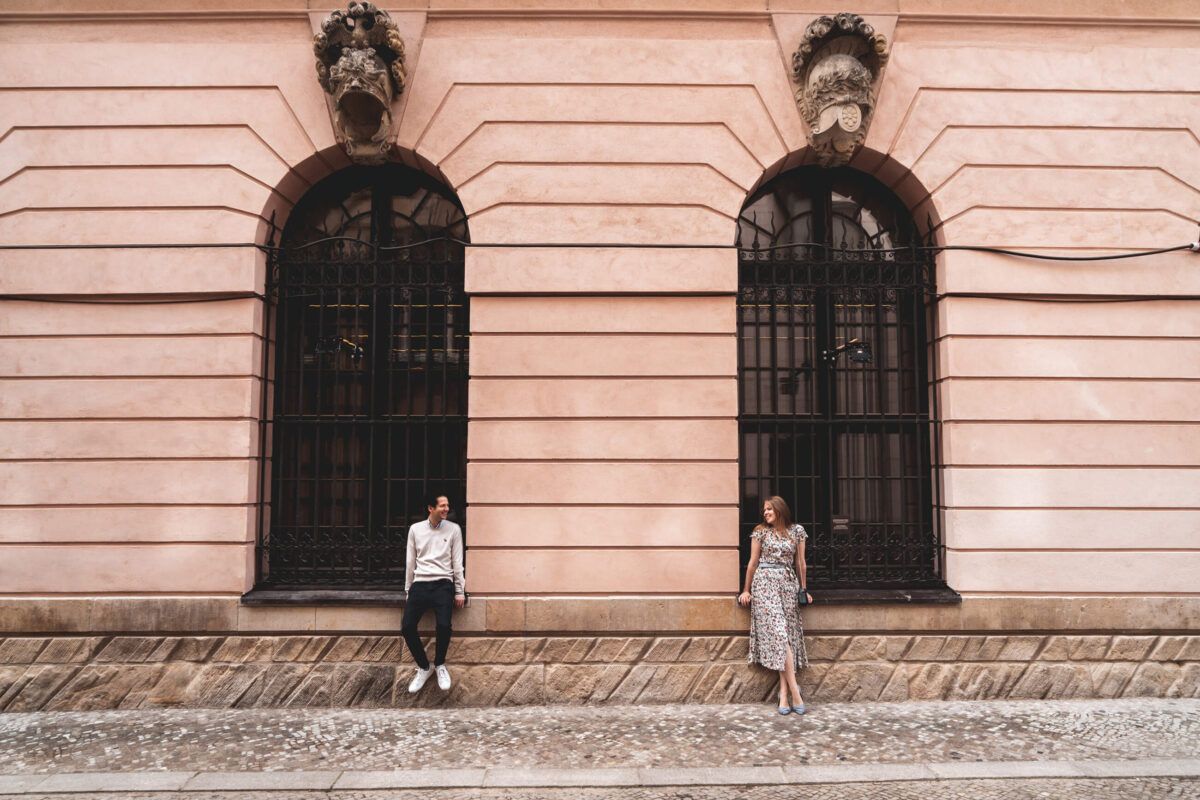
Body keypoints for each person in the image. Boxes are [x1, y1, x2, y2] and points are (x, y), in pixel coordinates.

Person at [737, 495, 812, 715]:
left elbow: (801, 563)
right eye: (764, 510)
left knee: (786, 639)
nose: (765, 513)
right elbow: (752, 562)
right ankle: (795, 692)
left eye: (769, 509)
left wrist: (803, 590)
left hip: (788, 585)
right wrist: (746, 589)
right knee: (779, 634)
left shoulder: (797, 531)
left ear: (780, 510)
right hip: (764, 583)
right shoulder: (760, 532)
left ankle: (784, 692)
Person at [401, 492, 466, 693]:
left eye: (447, 505)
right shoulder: (415, 529)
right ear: (431, 508)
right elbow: (410, 561)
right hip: (420, 583)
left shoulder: (454, 529)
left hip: (443, 583)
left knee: (444, 625)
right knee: (407, 627)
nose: (447, 509)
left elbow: (457, 562)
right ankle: (424, 667)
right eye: (442, 506)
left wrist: (459, 590)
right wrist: (408, 588)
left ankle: (439, 665)